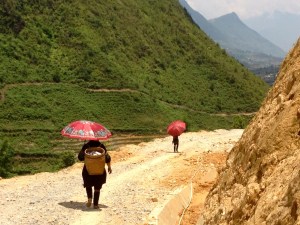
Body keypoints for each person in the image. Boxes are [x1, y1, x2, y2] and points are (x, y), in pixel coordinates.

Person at [78, 140, 112, 209]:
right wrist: (109, 167)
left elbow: (80, 158)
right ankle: (96, 204)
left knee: (88, 184)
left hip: (88, 169)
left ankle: (89, 198)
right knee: (97, 188)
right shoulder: (101, 146)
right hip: (99, 170)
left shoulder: (86, 146)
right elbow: (107, 158)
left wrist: (84, 151)